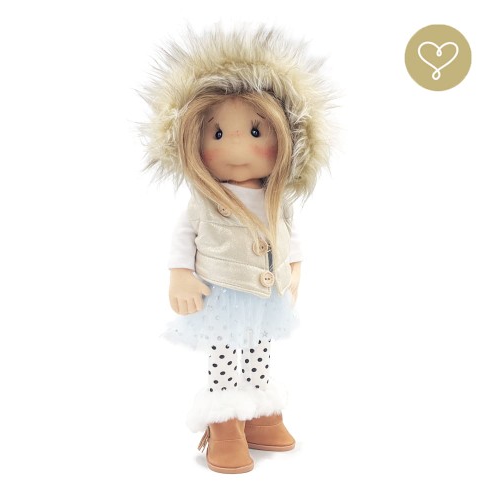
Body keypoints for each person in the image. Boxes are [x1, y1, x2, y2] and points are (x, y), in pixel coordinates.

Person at [140, 26, 333, 474]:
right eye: (218, 134)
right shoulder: (206, 200)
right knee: (226, 357)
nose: (238, 148)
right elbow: (183, 237)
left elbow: (289, 236)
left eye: (255, 131)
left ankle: (261, 414)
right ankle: (225, 423)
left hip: (266, 295)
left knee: (260, 352)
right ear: (192, 141)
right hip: (223, 293)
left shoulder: (276, 197)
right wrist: (180, 275)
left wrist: (295, 271)